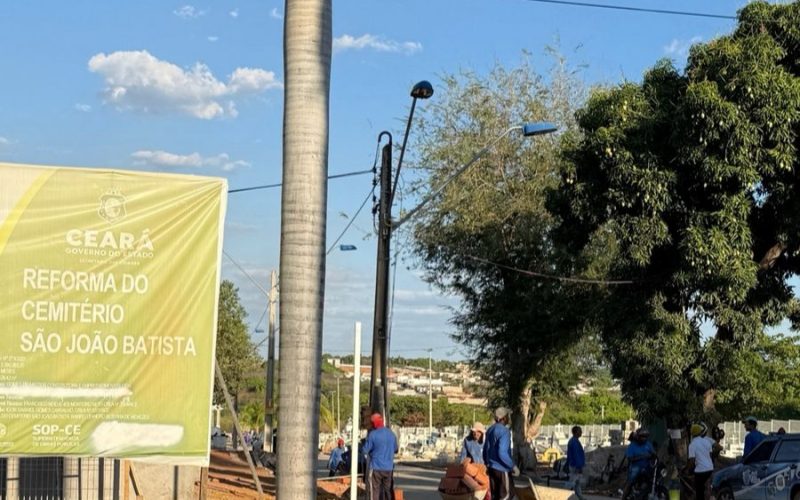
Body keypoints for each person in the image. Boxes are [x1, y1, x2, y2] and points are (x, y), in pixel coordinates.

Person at [363, 413, 398, 500]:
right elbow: (396, 450)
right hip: (388, 469)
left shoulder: (373, 435)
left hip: (376, 468)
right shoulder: (391, 434)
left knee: (374, 491)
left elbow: (365, 450)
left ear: (374, 423)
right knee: (388, 491)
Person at [484, 407, 516, 500]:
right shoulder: (504, 431)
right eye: (508, 416)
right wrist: (512, 466)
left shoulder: (490, 430)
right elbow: (502, 452)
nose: (509, 419)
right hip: (502, 468)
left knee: (495, 496)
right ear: (504, 418)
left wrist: (487, 464)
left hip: (491, 468)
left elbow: (486, 450)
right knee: (505, 496)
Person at [622, 429, 656, 500]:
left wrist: (653, 457)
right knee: (630, 483)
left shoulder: (648, 444)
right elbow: (630, 458)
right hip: (635, 467)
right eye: (642, 436)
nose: (644, 438)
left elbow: (653, 454)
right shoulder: (632, 446)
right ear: (638, 437)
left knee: (654, 479)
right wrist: (643, 456)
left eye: (645, 437)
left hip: (647, 467)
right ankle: (624, 497)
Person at [687, 423, 714, 500]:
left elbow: (692, 461)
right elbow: (710, 456)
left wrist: (689, 471)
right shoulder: (707, 442)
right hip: (710, 469)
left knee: (699, 491)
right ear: (700, 432)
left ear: (692, 434)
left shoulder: (692, 444)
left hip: (700, 472)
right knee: (708, 488)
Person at [567, 426, 586, 500]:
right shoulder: (574, 442)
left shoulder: (574, 441)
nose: (581, 433)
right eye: (580, 431)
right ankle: (563, 494)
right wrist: (579, 466)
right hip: (575, 465)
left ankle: (580, 497)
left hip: (574, 464)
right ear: (575, 432)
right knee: (572, 482)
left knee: (577, 482)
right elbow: (576, 455)